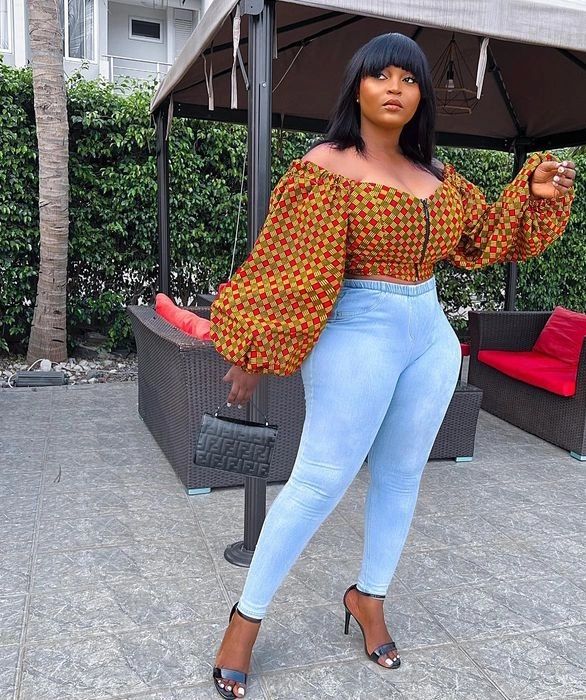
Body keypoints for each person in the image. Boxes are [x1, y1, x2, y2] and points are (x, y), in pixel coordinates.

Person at [208, 32, 576, 698]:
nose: (395, 88)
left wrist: (538, 192)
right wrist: (253, 354)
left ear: (421, 97)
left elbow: (487, 236)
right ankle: (245, 619)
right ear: (357, 88)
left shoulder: (437, 175)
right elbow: (287, 266)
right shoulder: (324, 168)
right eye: (382, 76)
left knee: (403, 476)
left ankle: (369, 597)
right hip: (357, 330)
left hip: (428, 335)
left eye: (409, 79)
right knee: (319, 481)